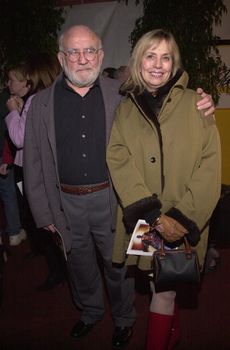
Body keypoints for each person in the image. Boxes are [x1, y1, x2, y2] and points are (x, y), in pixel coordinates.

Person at [23, 24, 216, 349]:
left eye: (90, 51)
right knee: (84, 265)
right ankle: (91, 312)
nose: (82, 59)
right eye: (74, 51)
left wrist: (204, 99)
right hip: (92, 204)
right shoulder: (42, 104)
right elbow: (33, 162)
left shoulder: (122, 93)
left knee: (126, 270)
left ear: (101, 56)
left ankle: (126, 319)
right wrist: (42, 214)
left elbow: (205, 158)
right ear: (61, 57)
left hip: (116, 202)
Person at [106, 29, 221, 350]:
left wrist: (182, 218)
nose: (158, 64)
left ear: (174, 63)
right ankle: (173, 333)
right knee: (161, 281)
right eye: (150, 56)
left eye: (166, 57)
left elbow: (210, 167)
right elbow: (118, 160)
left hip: (184, 217)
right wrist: (153, 215)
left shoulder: (197, 103)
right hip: (146, 219)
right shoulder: (125, 109)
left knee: (164, 290)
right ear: (138, 61)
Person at [5, 53, 66, 291]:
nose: (25, 79)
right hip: (37, 167)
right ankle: (57, 265)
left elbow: (20, 138)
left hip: (33, 169)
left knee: (41, 220)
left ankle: (57, 270)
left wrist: (12, 112)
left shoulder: (36, 100)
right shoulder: (51, 95)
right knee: (41, 220)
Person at [0, 81, 26, 246]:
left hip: (6, 155)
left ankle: (15, 233)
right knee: (9, 194)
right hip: (5, 154)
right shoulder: (6, 99)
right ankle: (15, 232)